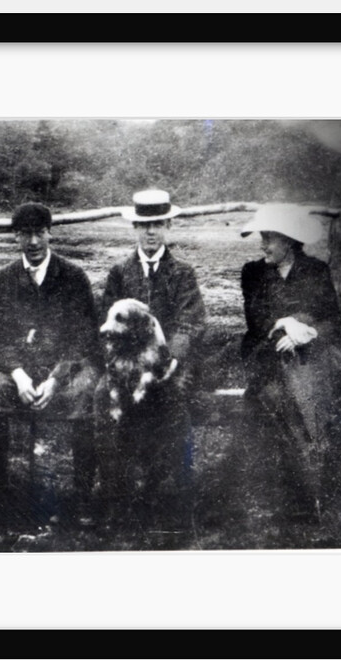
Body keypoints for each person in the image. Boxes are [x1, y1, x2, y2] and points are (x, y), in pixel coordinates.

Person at [239, 203, 341, 522]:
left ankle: (313, 488)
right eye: (262, 236)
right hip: (267, 353)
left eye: (269, 237)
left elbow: (331, 320)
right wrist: (286, 322)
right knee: (281, 393)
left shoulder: (315, 271)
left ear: (288, 240)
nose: (263, 244)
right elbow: (256, 321)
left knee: (314, 390)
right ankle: (307, 487)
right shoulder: (253, 273)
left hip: (312, 354)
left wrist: (306, 332)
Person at [0, 202, 101, 521]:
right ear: (16, 237)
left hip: (64, 367)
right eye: (25, 234)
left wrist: (56, 379)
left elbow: (83, 336)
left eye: (39, 233)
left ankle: (83, 497)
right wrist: (17, 375)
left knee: (84, 396)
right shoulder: (6, 278)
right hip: (20, 370)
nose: (33, 243)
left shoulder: (73, 275)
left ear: (49, 234)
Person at [96, 189, 206, 516]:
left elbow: (191, 322)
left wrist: (169, 358)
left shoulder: (183, 272)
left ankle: (175, 494)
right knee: (105, 396)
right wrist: (123, 365)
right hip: (128, 364)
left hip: (173, 365)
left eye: (158, 224)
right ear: (135, 228)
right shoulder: (120, 272)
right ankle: (115, 492)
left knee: (172, 400)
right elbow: (108, 323)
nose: (151, 232)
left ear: (168, 225)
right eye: (144, 225)